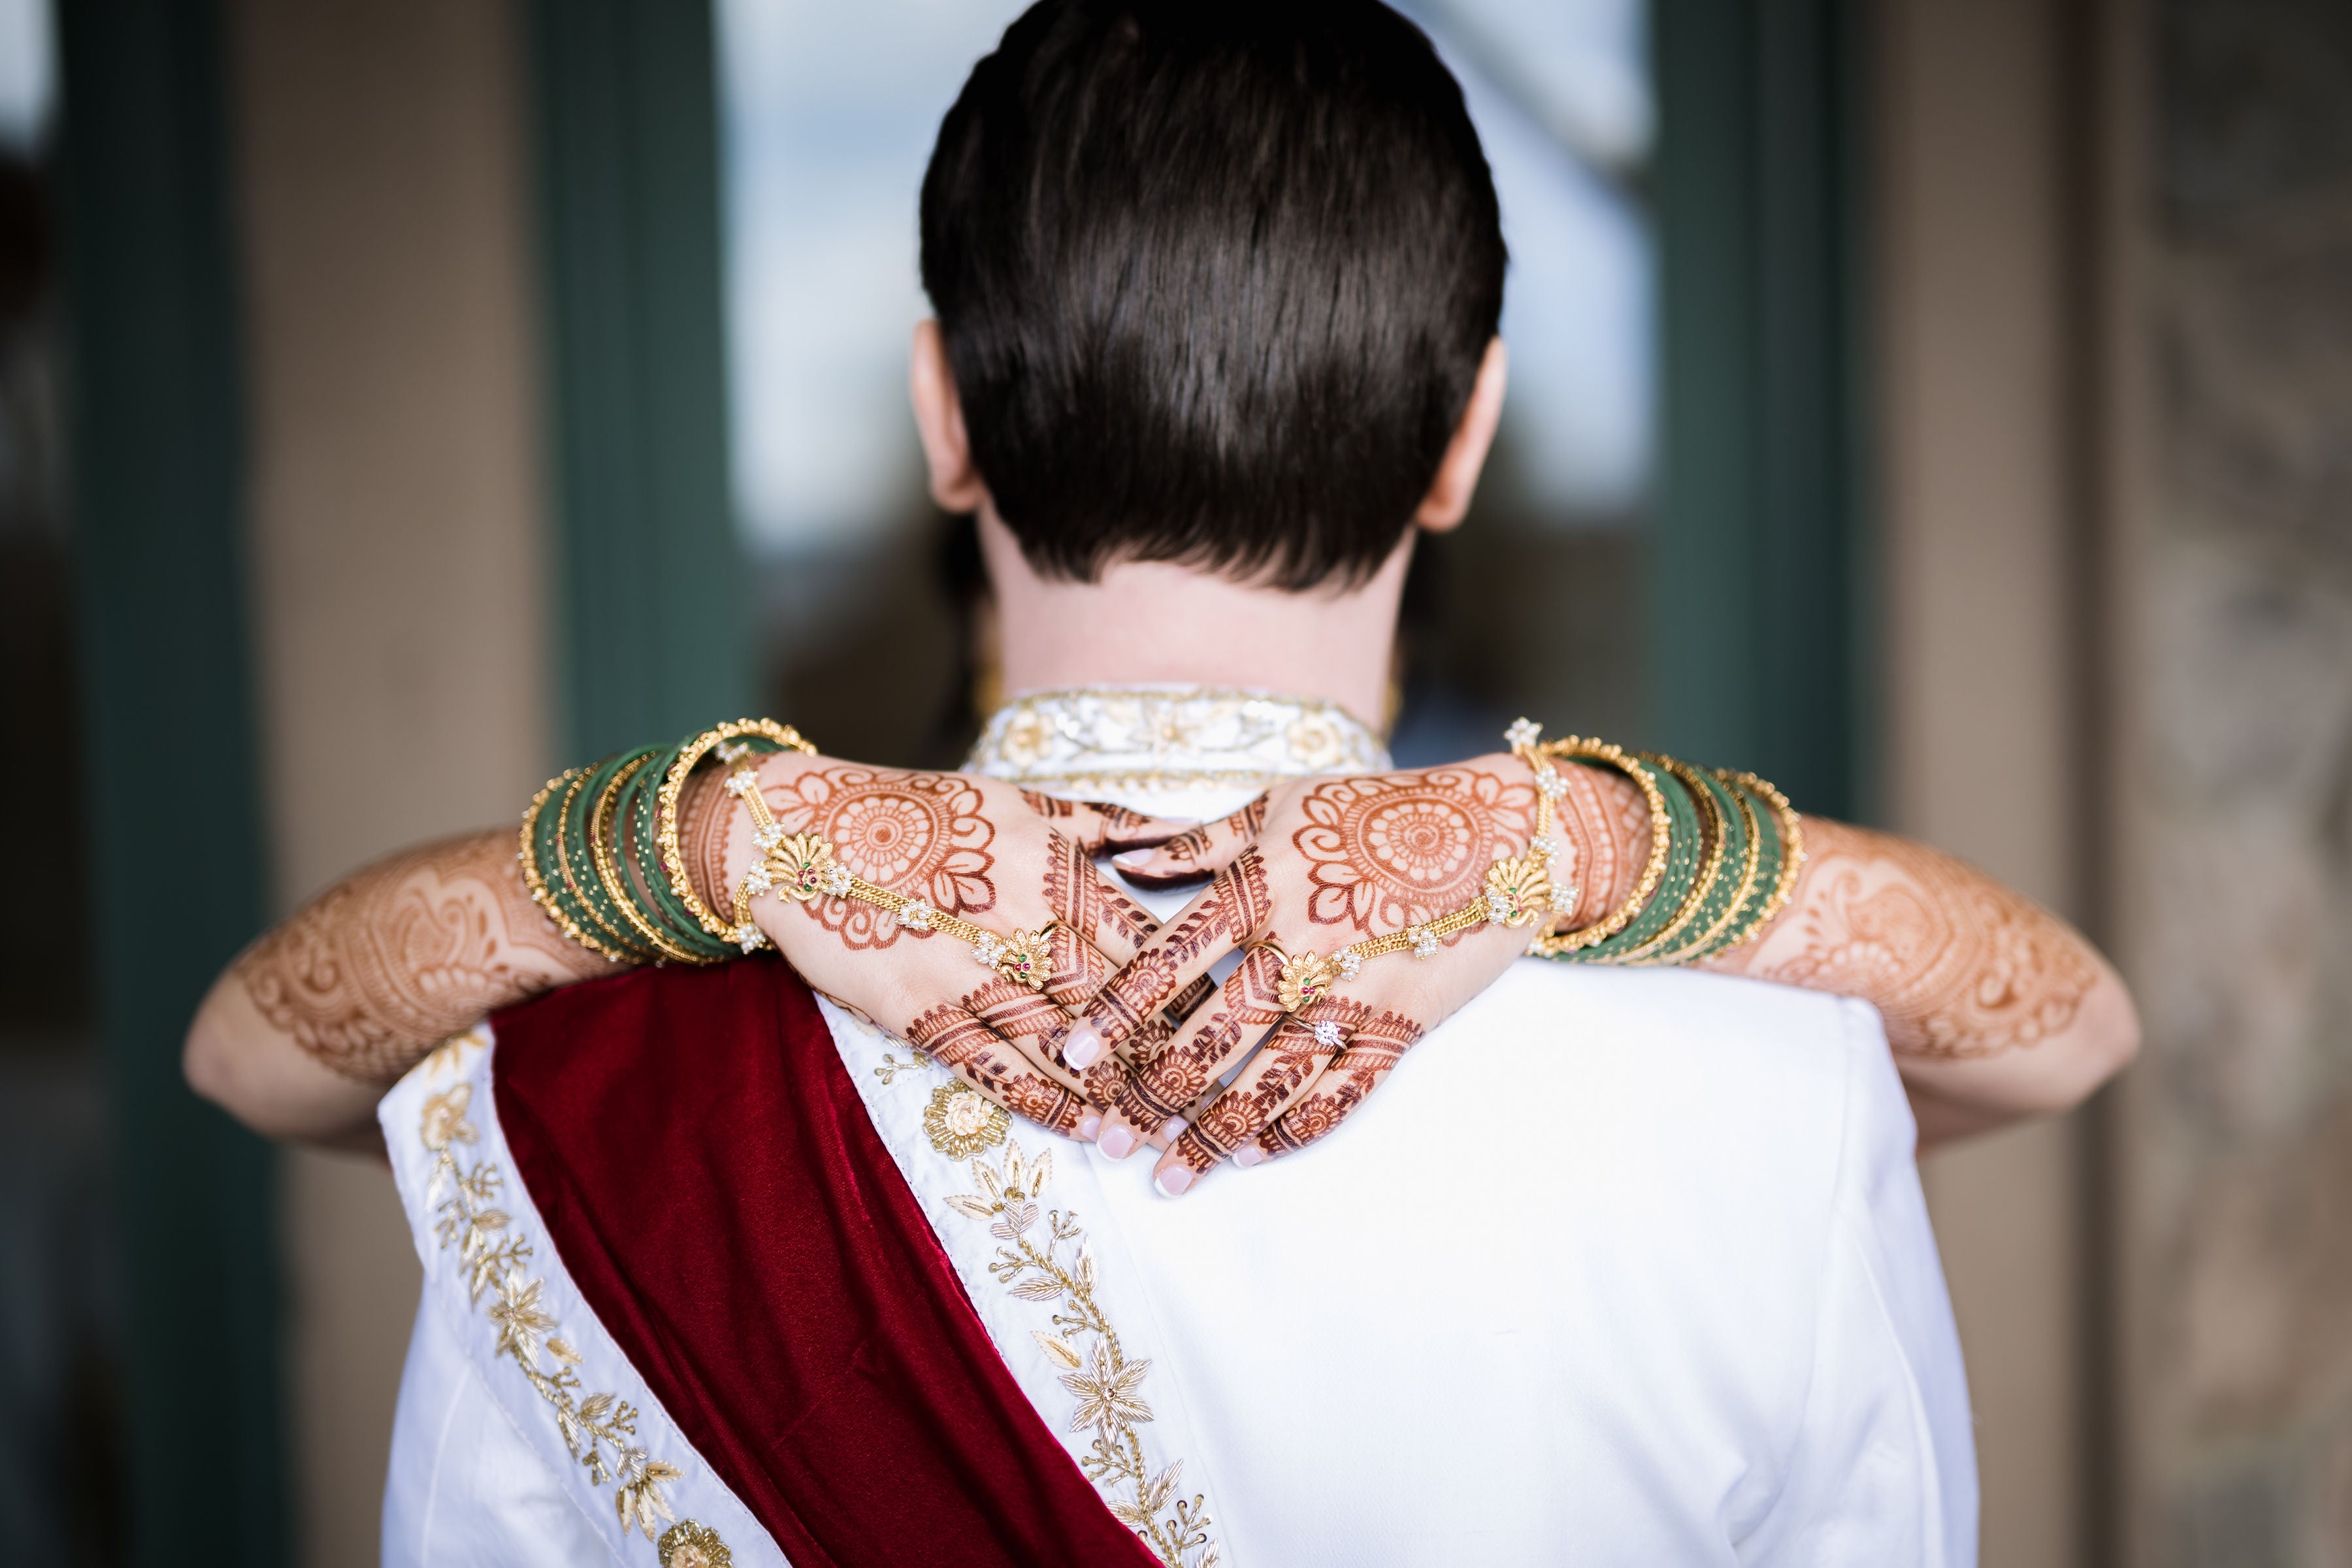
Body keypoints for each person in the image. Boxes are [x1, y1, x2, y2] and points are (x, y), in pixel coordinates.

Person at [186, 3, 2138, 1563]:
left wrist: (724, 837)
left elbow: (254, 1051)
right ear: (1465, 434)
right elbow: (2061, 1027)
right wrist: (1580, 841)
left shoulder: (576, 1099)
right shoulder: (1770, 1094)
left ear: (946, 414)